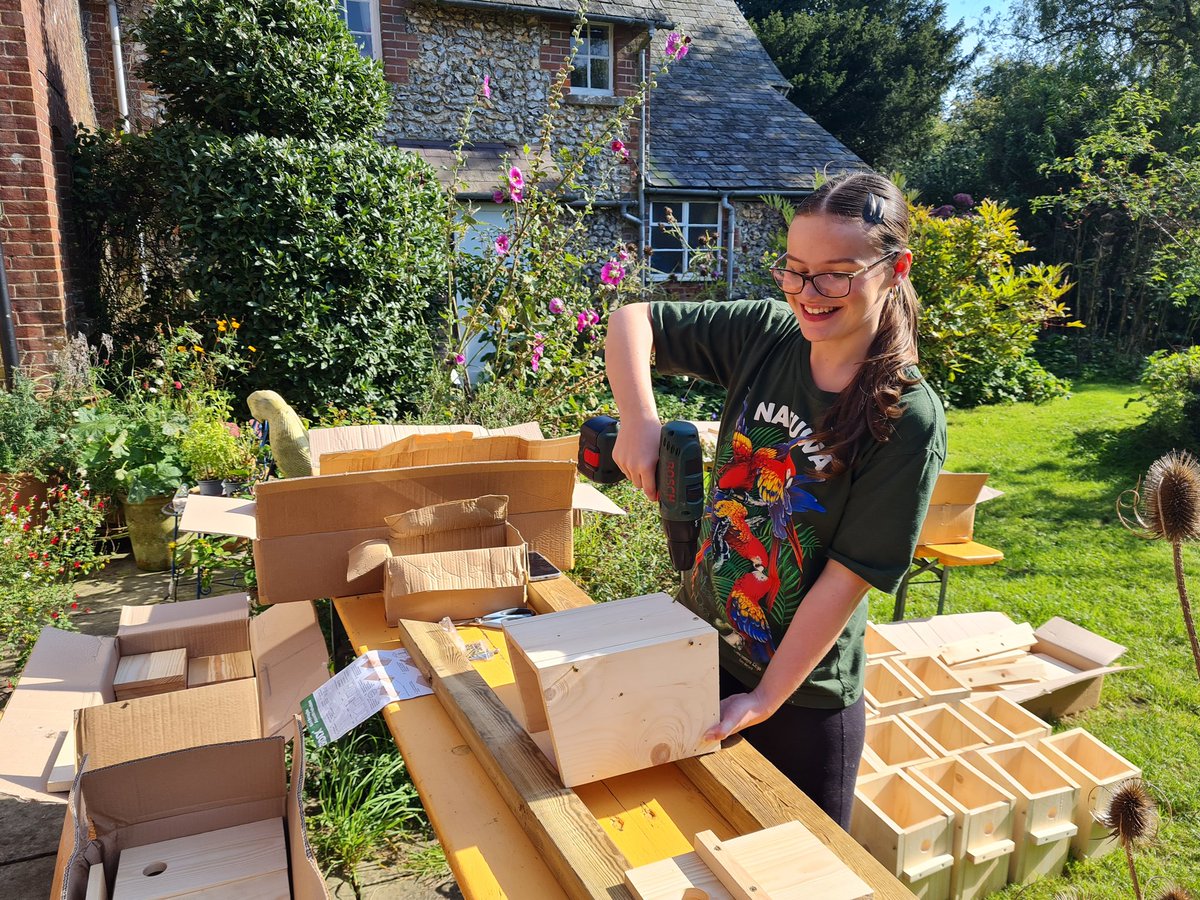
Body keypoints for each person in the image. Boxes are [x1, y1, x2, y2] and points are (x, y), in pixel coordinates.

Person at [604, 172, 946, 828]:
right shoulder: (767, 333)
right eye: (794, 271)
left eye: (834, 275)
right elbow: (631, 321)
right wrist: (638, 420)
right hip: (701, 650)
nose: (807, 294)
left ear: (895, 268)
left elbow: (845, 580)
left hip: (802, 701)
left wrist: (764, 698)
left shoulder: (905, 417)